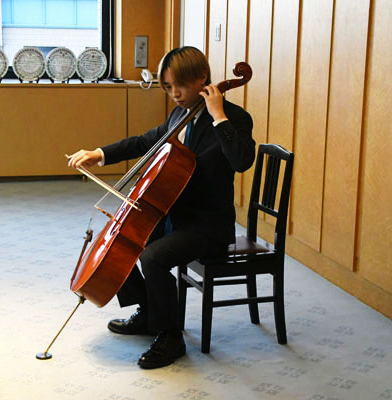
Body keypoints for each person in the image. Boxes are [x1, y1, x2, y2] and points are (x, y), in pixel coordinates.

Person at [67, 46, 255, 369]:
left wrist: (218, 115)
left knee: (152, 257)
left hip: (208, 226)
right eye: (167, 87)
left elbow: (242, 160)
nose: (175, 94)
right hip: (175, 215)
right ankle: (150, 312)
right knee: (121, 238)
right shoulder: (180, 115)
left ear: (202, 78)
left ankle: (170, 336)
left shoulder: (235, 118)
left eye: (179, 85)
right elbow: (146, 141)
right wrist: (99, 153)